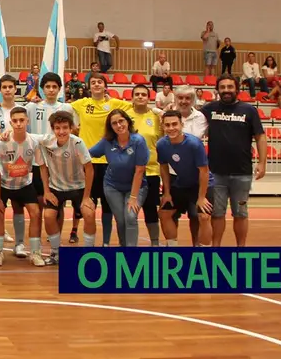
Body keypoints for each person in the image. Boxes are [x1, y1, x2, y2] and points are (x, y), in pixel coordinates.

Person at [201, 75, 267, 247]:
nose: (226, 90)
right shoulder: (209, 109)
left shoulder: (249, 110)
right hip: (216, 173)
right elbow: (190, 123)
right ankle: (216, 248)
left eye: (230, 87)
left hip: (242, 173)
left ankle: (241, 249)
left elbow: (260, 137)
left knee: (240, 214)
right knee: (217, 214)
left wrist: (262, 162)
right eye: (222, 87)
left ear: (237, 89)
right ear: (217, 90)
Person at [71, 72, 132, 246]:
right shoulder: (82, 103)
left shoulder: (114, 104)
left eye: (100, 82)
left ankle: (105, 242)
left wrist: (157, 109)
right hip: (87, 161)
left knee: (108, 205)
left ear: (105, 86)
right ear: (89, 87)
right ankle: (86, 241)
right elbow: (61, 108)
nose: (96, 84)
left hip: (109, 161)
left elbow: (137, 106)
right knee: (87, 203)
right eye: (93, 82)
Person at [20, 73, 77, 248]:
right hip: (37, 162)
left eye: (54, 87)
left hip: (58, 163)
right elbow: (18, 121)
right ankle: (36, 243)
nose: (51, 90)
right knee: (38, 205)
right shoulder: (32, 107)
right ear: (42, 89)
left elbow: (74, 132)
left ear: (60, 89)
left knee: (57, 204)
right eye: (47, 87)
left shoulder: (67, 108)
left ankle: (56, 240)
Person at [38, 111, 96, 265]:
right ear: (52, 129)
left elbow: (89, 169)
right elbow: (43, 168)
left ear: (71, 128)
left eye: (65, 127)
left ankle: (89, 253)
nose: (61, 131)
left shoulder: (77, 143)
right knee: (49, 216)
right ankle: (56, 253)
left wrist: (86, 197)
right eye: (57, 128)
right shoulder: (45, 141)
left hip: (79, 187)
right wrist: (46, 191)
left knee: (89, 214)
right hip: (56, 187)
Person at [87, 109, 149, 248]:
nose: (118, 125)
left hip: (135, 187)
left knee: (131, 217)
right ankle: (123, 246)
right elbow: (88, 153)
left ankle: (132, 250)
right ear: (111, 127)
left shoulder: (138, 141)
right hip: (112, 186)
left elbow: (139, 170)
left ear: (127, 121)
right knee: (121, 220)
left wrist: (133, 197)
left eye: (121, 121)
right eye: (114, 123)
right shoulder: (107, 142)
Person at [0, 107, 45, 266]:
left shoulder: (34, 142)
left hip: (24, 184)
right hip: (4, 184)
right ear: (10, 123)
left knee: (36, 213)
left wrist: (47, 190)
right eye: (15, 121)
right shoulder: (2, 142)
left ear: (27, 121)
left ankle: (35, 253)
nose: (18, 124)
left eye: (21, 120)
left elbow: (42, 166)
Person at [157, 111, 213, 247]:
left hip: (202, 184)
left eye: (174, 124)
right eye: (167, 125)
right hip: (181, 183)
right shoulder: (161, 145)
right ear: (163, 127)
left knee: (204, 216)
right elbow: (164, 168)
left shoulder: (194, 144)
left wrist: (201, 197)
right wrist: (167, 193)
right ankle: (172, 247)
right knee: (164, 213)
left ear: (182, 125)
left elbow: (204, 172)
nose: (171, 128)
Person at [128, 84, 162, 246]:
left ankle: (155, 242)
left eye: (144, 94)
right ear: (132, 97)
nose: (140, 97)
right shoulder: (125, 116)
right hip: (129, 172)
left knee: (150, 210)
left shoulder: (156, 117)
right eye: (137, 94)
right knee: (129, 211)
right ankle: (128, 244)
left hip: (152, 171)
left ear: (149, 98)